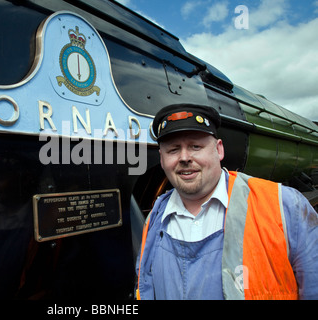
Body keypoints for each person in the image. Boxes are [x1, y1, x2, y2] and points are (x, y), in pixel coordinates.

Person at [135, 103, 318, 300]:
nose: (185, 157)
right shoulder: (155, 216)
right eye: (173, 150)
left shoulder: (284, 205)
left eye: (196, 146)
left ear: (219, 150)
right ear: (162, 159)